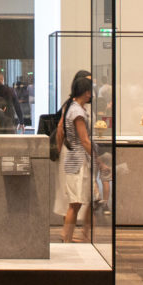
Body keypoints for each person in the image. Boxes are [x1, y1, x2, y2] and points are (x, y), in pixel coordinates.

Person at [59, 76, 93, 243]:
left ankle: (68, 236)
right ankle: (67, 238)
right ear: (86, 92)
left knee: (76, 202)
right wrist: (98, 160)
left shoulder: (74, 108)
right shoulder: (77, 112)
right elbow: (84, 140)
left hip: (75, 159)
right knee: (75, 202)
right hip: (76, 160)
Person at [0, 66, 23, 134]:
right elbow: (17, 106)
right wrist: (21, 122)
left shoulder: (7, 91)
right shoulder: (9, 91)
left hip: (1, 128)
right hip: (3, 128)